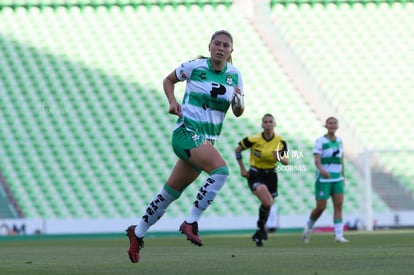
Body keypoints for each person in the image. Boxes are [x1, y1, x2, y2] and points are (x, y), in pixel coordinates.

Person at [126, 30, 245, 264]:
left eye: (226, 46)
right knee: (221, 171)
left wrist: (239, 102)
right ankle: (191, 221)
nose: (221, 48)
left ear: (231, 51)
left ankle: (137, 232)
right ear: (210, 46)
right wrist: (172, 101)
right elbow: (168, 79)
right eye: (217, 44)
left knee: (170, 193)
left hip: (205, 141)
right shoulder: (195, 67)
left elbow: (239, 112)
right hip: (186, 133)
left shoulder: (235, 75)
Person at [235, 114, 288, 247]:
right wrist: (242, 168)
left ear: (274, 124)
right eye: (266, 122)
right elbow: (238, 149)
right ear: (262, 125)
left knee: (268, 204)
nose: (268, 124)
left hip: (271, 175)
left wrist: (279, 158)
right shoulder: (254, 139)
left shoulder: (280, 141)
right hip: (256, 173)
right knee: (268, 201)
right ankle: (261, 227)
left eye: (271, 122)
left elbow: (286, 161)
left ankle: (259, 232)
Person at [301, 116, 349, 243]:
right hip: (323, 179)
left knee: (338, 206)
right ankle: (308, 227)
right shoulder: (320, 141)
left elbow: (341, 160)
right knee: (321, 207)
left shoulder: (339, 141)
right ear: (326, 126)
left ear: (337, 126)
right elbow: (317, 160)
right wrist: (323, 171)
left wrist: (343, 176)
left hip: (337, 178)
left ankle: (339, 235)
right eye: (330, 123)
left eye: (334, 123)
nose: (332, 125)